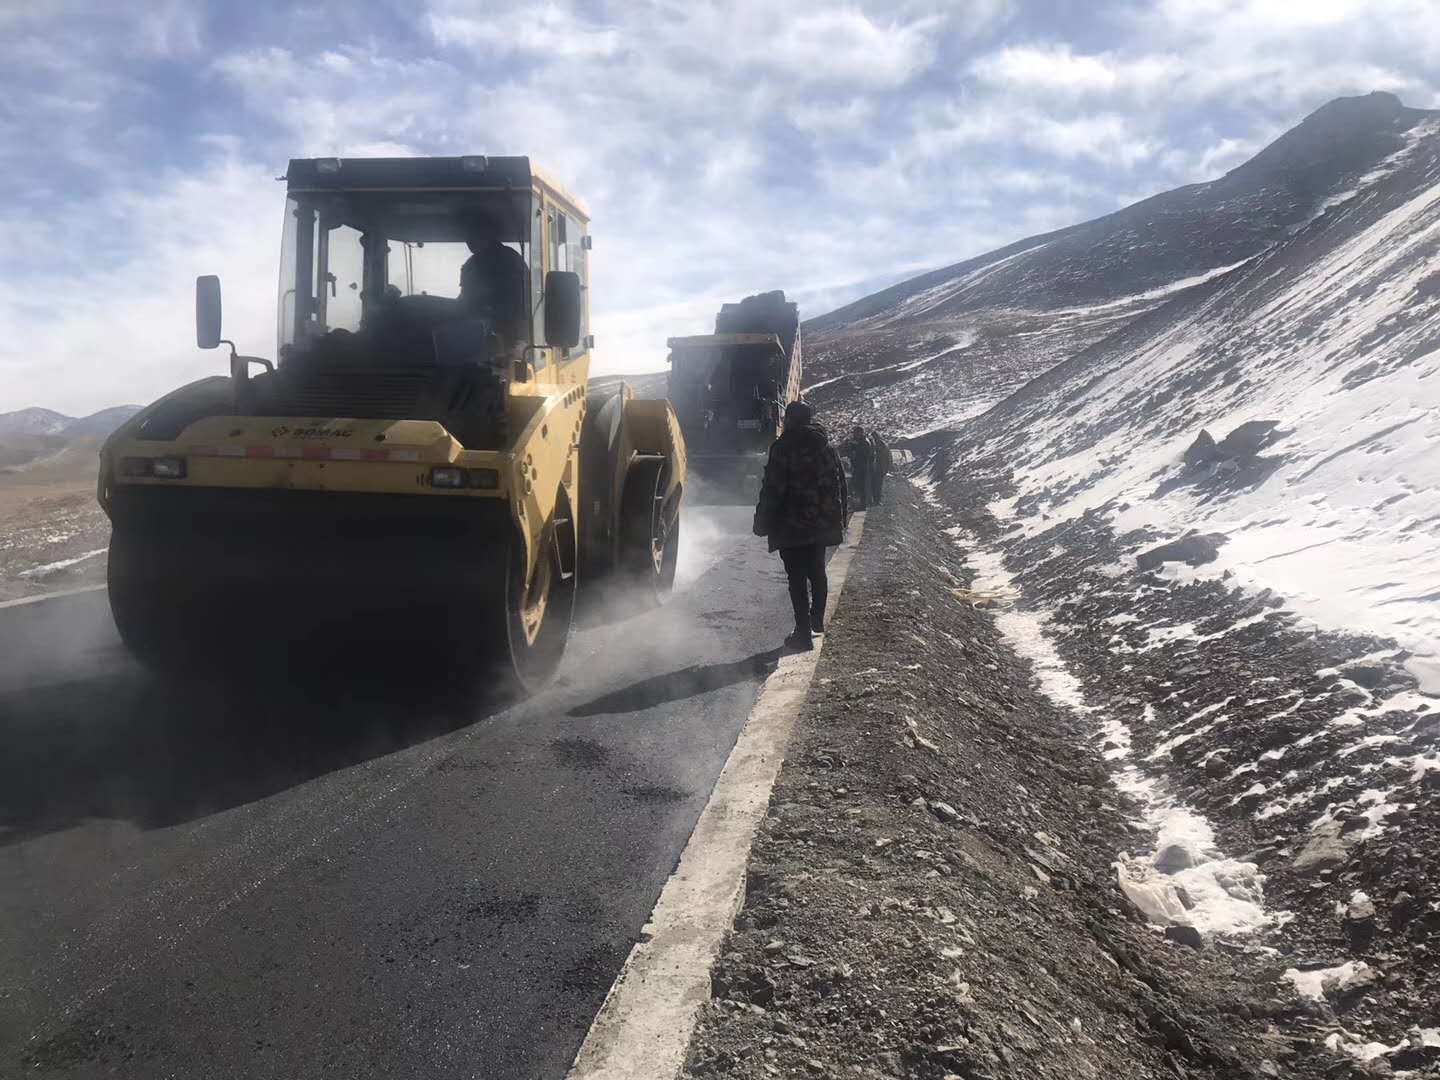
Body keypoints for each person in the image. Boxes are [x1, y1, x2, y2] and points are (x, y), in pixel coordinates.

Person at [753, 400, 849, 651]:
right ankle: (817, 618)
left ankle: (803, 633)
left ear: (790, 419)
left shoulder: (782, 448)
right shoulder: (827, 448)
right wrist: (840, 518)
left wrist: (762, 521)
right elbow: (840, 484)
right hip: (820, 523)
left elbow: (772, 489)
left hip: (791, 525)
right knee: (817, 570)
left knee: (796, 579)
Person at [459, 219, 529, 353]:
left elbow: (520, 301)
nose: (468, 241)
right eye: (467, 236)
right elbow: (466, 297)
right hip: (479, 334)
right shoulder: (472, 263)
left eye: (473, 234)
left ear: (489, 234)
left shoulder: (509, 260)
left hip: (509, 337)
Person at [842, 425, 874, 509]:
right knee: (856, 486)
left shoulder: (865, 442)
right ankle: (857, 503)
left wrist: (855, 448)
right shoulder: (857, 442)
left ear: (860, 433)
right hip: (857, 466)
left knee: (861, 486)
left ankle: (862, 504)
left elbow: (865, 455)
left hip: (862, 467)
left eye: (856, 433)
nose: (854, 434)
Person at [870, 431, 892, 503]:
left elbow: (887, 457)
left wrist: (887, 468)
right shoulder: (872, 445)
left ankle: (877, 499)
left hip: (879, 468)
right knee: (874, 485)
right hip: (875, 468)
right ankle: (875, 499)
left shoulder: (882, 445)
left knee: (877, 485)